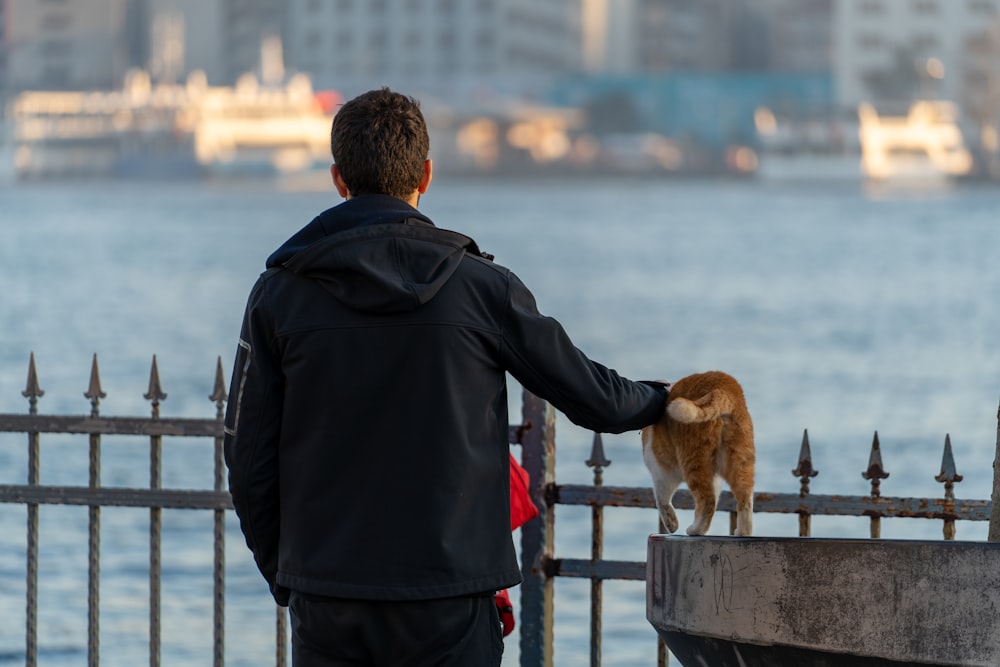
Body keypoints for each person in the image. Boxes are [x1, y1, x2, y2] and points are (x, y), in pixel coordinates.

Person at [223, 87, 669, 667]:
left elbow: (247, 456)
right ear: (426, 174)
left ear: (337, 179)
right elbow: (595, 398)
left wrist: (289, 573)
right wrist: (663, 400)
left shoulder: (279, 296)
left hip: (328, 593)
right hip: (451, 597)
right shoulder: (483, 290)